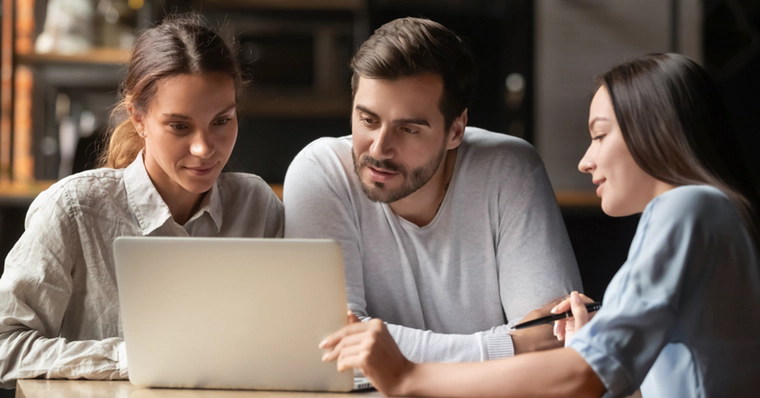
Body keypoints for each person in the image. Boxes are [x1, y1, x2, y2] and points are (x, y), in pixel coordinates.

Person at [319, 53, 760, 397]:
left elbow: (582, 380)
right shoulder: (715, 215)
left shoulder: (686, 208)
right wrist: (587, 352)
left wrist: (409, 377)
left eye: (600, 134)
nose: (586, 161)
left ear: (655, 129)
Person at [0, 15, 283, 388]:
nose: (204, 149)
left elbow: (283, 340)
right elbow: (6, 348)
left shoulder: (256, 205)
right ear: (138, 118)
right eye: (179, 126)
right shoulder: (72, 211)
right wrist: (130, 356)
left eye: (221, 121)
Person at [284, 17, 582, 363]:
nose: (379, 149)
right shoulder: (321, 172)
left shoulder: (510, 169)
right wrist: (511, 345)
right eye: (368, 120)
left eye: (408, 129)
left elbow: (556, 342)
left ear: (456, 131)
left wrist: (381, 349)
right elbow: (330, 349)